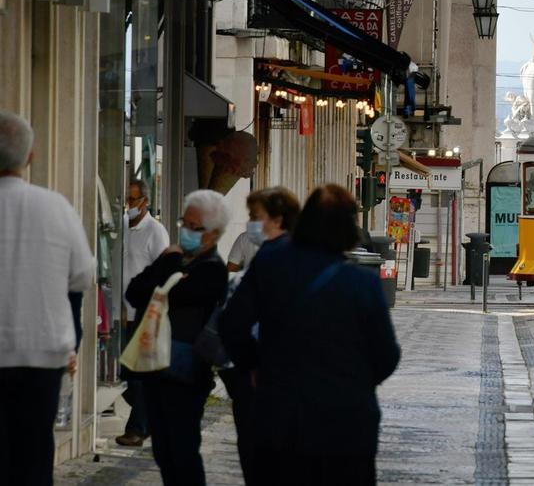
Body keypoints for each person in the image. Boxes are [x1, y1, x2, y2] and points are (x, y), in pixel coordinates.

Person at [219, 185, 401, 484]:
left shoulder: (270, 264)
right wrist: (356, 381)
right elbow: (387, 355)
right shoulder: (361, 283)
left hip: (281, 415)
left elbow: (232, 324)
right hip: (347, 423)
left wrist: (254, 365)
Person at [0, 112, 94, 485]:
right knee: (35, 452)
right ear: (30, 157)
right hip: (42, 353)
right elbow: (82, 276)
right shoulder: (56, 208)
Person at [126, 189, 229, 485]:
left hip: (186, 371)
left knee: (182, 450)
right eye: (185, 223)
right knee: (162, 450)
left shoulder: (212, 270)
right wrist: (165, 267)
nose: (186, 232)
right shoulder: (173, 259)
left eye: (195, 228)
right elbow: (134, 291)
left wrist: (167, 268)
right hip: (154, 365)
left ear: (214, 233)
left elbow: (178, 295)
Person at [219, 187, 300, 485]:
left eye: (256, 217)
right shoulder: (305, 257)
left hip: (262, 378)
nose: (251, 222)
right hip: (296, 382)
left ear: (277, 219)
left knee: (258, 457)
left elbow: (233, 323)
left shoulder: (270, 260)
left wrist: (248, 365)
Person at [116, 178, 169, 447]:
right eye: (126, 200)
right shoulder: (122, 226)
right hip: (118, 311)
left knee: (136, 374)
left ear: (145, 202)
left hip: (142, 312)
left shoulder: (155, 232)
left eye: (132, 200)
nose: (128, 205)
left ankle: (138, 427)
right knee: (122, 372)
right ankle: (152, 413)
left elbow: (162, 275)